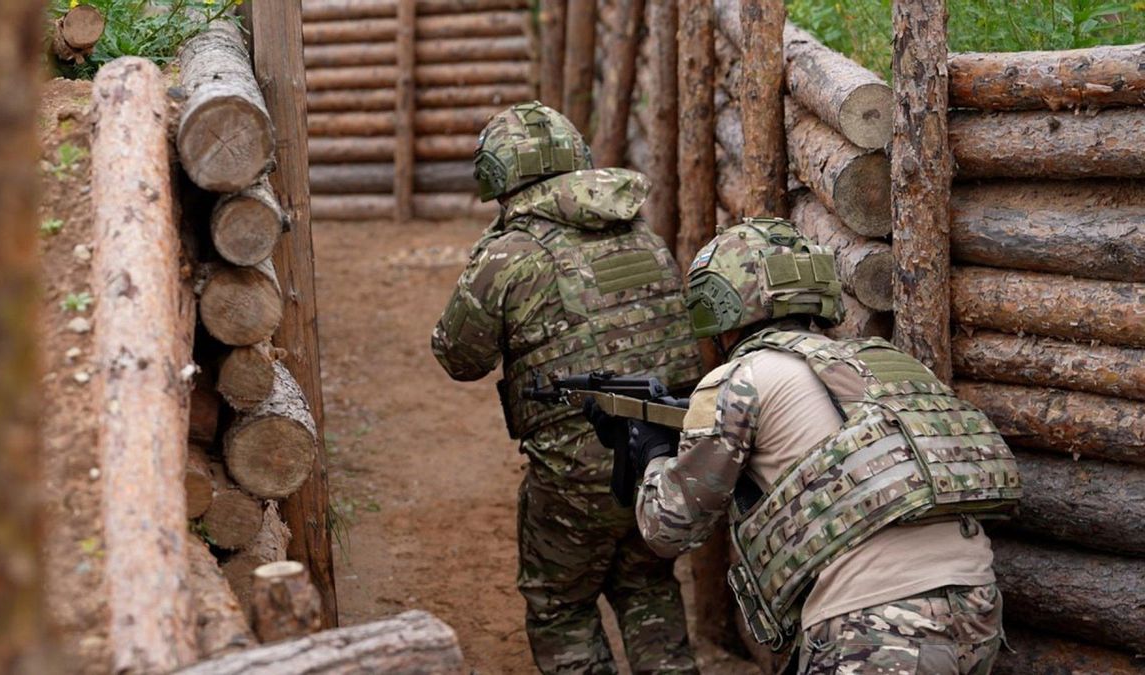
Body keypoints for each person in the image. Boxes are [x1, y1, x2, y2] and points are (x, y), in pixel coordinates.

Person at [622, 218, 1021, 674]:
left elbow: (669, 527)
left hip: (877, 629)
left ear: (718, 306)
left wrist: (653, 453)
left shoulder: (741, 380)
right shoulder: (884, 363)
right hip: (976, 609)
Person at [431, 101, 703, 674]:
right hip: (663, 454)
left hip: (575, 472)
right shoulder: (641, 234)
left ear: (499, 176)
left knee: (560, 605)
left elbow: (459, 358)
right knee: (648, 587)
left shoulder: (510, 254)